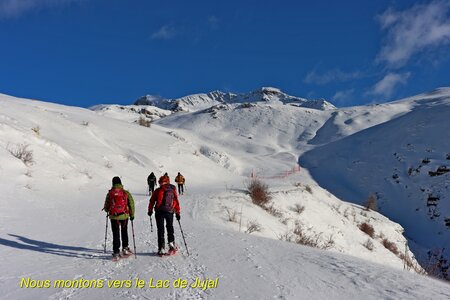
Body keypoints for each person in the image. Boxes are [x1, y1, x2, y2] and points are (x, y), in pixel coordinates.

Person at [103, 176, 135, 259]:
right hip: (124, 216)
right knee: (124, 231)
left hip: (114, 217)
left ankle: (116, 252)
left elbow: (106, 205)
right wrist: (132, 215)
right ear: (120, 183)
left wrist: (107, 210)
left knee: (115, 234)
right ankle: (125, 248)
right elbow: (131, 204)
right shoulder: (125, 192)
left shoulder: (110, 193)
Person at [148, 175, 181, 255]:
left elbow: (152, 201)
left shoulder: (157, 190)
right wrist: (177, 213)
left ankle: (161, 248)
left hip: (159, 212)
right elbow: (176, 200)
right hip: (170, 211)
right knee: (170, 227)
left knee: (160, 229)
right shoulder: (172, 189)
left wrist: (150, 210)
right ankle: (171, 244)